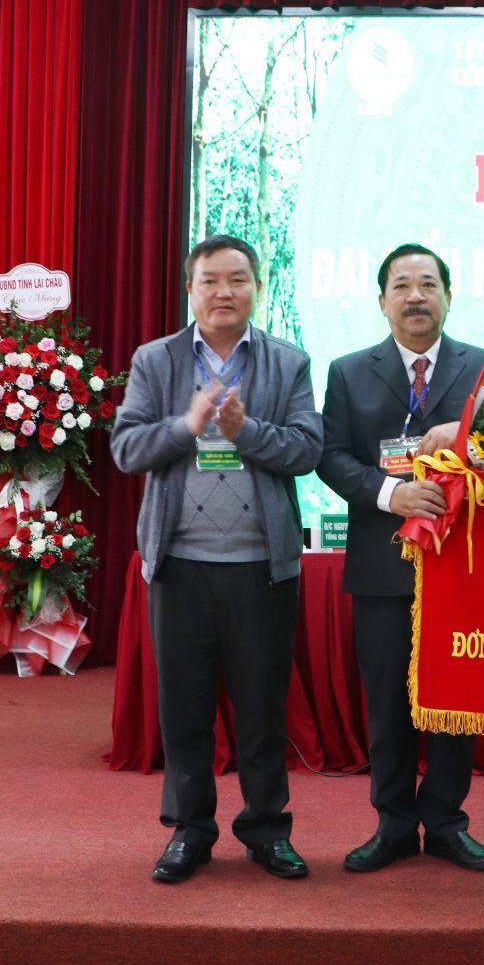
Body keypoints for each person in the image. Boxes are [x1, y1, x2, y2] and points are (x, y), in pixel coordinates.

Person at [110, 235, 324, 884]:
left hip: (262, 568)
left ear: (257, 287)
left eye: (237, 279)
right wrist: (186, 425)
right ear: (190, 289)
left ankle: (267, 830)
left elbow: (307, 450)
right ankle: (190, 832)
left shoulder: (287, 362)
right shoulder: (156, 360)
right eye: (210, 280)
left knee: (261, 710)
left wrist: (243, 432)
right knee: (185, 710)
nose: (224, 292)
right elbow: (126, 449)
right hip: (180, 566)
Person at [318, 243, 484, 874]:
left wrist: (468, 435)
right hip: (382, 565)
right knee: (388, 702)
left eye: (429, 284)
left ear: (449, 297)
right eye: (402, 285)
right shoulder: (348, 371)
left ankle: (447, 823)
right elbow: (331, 456)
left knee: (455, 697)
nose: (416, 296)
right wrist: (390, 494)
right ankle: (394, 824)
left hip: (462, 566)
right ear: (382, 301)